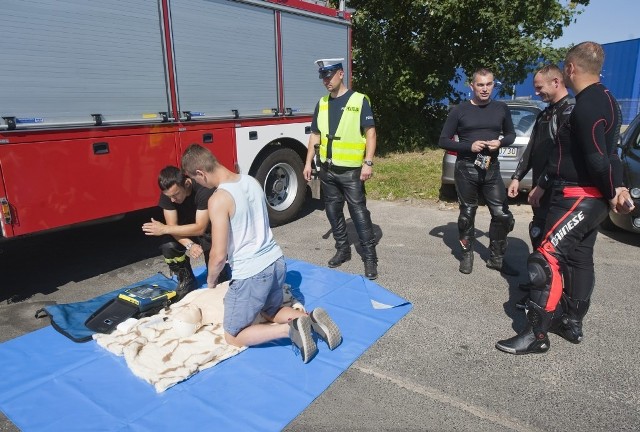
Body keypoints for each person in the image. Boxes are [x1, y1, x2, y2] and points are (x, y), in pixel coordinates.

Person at [496, 42, 635, 355]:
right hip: (586, 197)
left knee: (543, 260)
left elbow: (599, 158)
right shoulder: (609, 99)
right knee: (578, 258)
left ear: (570, 69)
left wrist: (613, 191)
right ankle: (571, 322)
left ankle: (536, 334)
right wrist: (618, 186)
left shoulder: (584, 105)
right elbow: (613, 151)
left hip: (578, 196)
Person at [181, 144, 342, 363]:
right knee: (270, 309)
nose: (200, 185)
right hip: (276, 261)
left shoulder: (218, 199)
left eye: (196, 180)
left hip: (252, 273)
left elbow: (218, 255)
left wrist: (211, 282)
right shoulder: (251, 181)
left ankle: (290, 330)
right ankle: (310, 319)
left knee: (233, 335)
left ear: (200, 173)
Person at [302, 58, 379, 280]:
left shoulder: (359, 100)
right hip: (327, 168)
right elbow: (314, 134)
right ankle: (343, 250)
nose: (326, 80)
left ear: (341, 74)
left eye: (329, 75)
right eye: (322, 76)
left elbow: (370, 133)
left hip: (351, 171)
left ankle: (370, 257)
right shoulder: (322, 103)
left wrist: (368, 162)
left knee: (359, 213)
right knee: (333, 211)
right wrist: (308, 162)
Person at [438, 67, 518, 275]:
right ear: (472, 85)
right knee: (467, 215)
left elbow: (511, 134)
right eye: (480, 84)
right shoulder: (459, 110)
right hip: (466, 168)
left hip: (491, 168)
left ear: (493, 85)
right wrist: (468, 146)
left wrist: (499, 143)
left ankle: (497, 258)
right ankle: (467, 255)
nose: (484, 89)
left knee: (502, 215)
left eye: (489, 84)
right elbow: (443, 140)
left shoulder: (501, 108)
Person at [507, 65, 574, 307]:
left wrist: (543, 185)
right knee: (537, 236)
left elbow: (561, 156)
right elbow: (531, 149)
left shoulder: (569, 112)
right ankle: (539, 284)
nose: (537, 93)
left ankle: (549, 295)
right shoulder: (545, 113)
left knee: (551, 245)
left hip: (556, 190)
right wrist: (517, 176)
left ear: (556, 82)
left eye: (539, 88)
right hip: (540, 189)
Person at [142, 166, 228, 298]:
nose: (172, 200)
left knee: (218, 279)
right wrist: (190, 245)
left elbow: (201, 227)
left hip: (208, 230)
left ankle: (221, 274)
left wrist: (163, 228)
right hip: (186, 231)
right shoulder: (169, 194)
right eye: (169, 196)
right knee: (168, 245)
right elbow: (172, 227)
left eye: (176, 194)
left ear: (187, 183)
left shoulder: (203, 190)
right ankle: (186, 279)